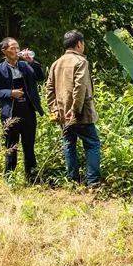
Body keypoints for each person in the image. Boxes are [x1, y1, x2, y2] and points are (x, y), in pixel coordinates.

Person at [46, 30, 101, 186]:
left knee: (69, 144)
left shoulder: (56, 63)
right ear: (79, 44)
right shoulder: (80, 61)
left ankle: (72, 181)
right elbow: (80, 88)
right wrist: (75, 111)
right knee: (92, 144)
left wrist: (54, 109)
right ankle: (93, 182)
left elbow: (49, 89)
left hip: (62, 113)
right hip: (80, 114)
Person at [0, 37, 45, 180]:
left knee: (29, 146)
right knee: (11, 148)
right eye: (13, 48)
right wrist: (10, 93)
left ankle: (32, 178)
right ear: (4, 51)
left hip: (28, 112)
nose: (16, 51)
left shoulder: (25, 66)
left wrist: (31, 62)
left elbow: (40, 77)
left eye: (17, 48)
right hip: (10, 114)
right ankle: (9, 179)